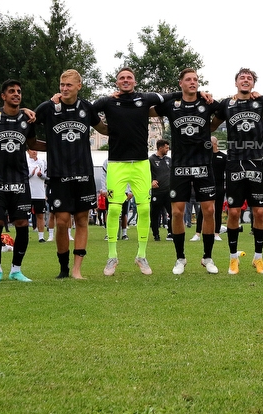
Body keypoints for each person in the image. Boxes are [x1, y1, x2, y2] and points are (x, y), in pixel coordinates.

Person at [34, 69, 108, 279]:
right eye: (61, 85)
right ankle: (63, 267)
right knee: (63, 221)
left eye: (68, 85)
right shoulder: (49, 107)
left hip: (83, 172)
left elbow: (103, 129)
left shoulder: (87, 108)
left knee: (82, 220)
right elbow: (29, 120)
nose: (64, 89)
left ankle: (77, 269)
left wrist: (126, 122)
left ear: (79, 86)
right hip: (59, 174)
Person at [92, 67, 165, 276]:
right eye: (121, 78)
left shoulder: (144, 98)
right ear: (117, 83)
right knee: (114, 210)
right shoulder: (108, 102)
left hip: (141, 164)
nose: (125, 81)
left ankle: (141, 256)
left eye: (129, 78)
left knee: (144, 209)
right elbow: (89, 109)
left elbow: (169, 97)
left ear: (134, 81)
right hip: (117, 163)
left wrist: (198, 94)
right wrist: (102, 127)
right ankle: (112, 256)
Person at [0, 79, 42, 283]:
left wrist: (58, 147)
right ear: (3, 96)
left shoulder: (27, 119)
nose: (16, 94)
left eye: (19, 91)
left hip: (20, 180)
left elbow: (33, 144)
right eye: (11, 91)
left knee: (21, 224)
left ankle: (16, 270)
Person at [152, 67, 220, 274]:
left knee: (208, 210)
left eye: (196, 80)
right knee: (177, 212)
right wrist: (175, 95)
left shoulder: (206, 103)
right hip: (180, 166)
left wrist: (212, 125)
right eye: (188, 80)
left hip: (203, 165)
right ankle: (180, 258)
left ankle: (207, 257)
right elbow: (148, 108)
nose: (193, 82)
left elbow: (226, 110)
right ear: (180, 83)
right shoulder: (172, 105)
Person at [213, 68, 263, 274]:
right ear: (236, 83)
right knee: (233, 212)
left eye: (249, 78)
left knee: (259, 211)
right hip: (234, 161)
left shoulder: (260, 103)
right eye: (242, 78)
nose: (245, 80)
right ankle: (233, 258)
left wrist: (262, 96)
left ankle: (258, 258)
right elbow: (212, 122)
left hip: (256, 161)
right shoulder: (227, 104)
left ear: (253, 84)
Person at [148, 139, 173, 241]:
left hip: (168, 192)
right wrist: (151, 181)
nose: (168, 149)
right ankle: (156, 234)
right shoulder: (151, 160)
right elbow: (146, 174)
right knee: (155, 214)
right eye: (166, 148)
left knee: (172, 213)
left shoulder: (169, 160)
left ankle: (171, 233)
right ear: (160, 147)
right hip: (157, 192)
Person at [26, 149, 49, 242]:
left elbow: (48, 177)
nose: (34, 152)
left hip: (39, 193)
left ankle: (41, 237)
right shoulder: (25, 162)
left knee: (40, 215)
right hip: (28, 193)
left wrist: (42, 175)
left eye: (36, 150)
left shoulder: (43, 162)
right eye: (32, 150)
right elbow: (22, 177)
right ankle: (24, 236)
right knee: (25, 216)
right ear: (28, 151)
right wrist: (31, 174)